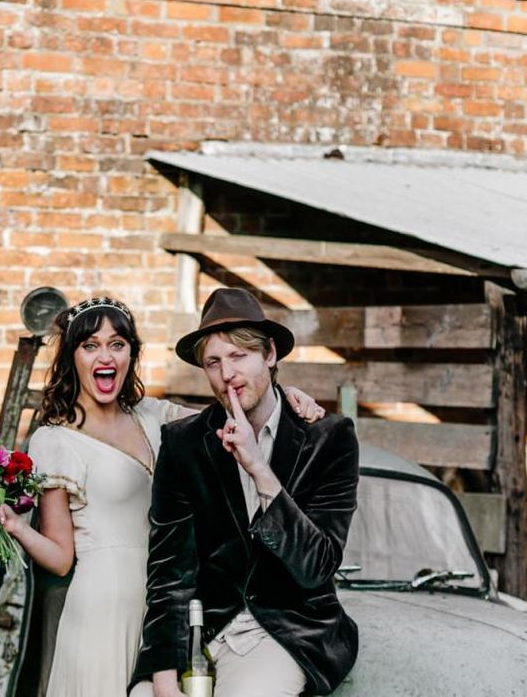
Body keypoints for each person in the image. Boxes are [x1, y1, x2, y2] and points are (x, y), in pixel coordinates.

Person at [0, 295, 325, 697]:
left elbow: (236, 406)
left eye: (117, 344)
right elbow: (61, 557)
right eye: (90, 345)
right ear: (72, 357)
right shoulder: (54, 440)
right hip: (105, 605)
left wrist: (286, 391)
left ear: (131, 354)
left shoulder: (151, 414)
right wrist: (14, 526)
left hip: (169, 601)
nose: (106, 355)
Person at [129, 287, 360, 697]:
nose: (227, 375)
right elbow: (169, 572)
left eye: (239, 356)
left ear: (270, 355)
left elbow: (317, 566)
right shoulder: (183, 443)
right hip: (204, 630)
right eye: (213, 362)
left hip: (287, 632)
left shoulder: (329, 438)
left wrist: (258, 468)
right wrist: (163, 673)